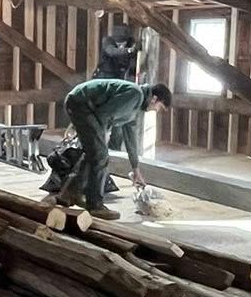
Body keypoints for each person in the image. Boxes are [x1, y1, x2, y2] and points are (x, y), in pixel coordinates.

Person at [57, 78, 172, 217]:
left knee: (94, 153)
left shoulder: (137, 109)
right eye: (159, 107)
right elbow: (103, 113)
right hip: (80, 103)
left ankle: (67, 195)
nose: (155, 110)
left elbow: (131, 139)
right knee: (100, 154)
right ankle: (95, 205)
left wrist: (135, 169)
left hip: (82, 104)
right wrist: (103, 134)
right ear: (154, 98)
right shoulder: (135, 95)